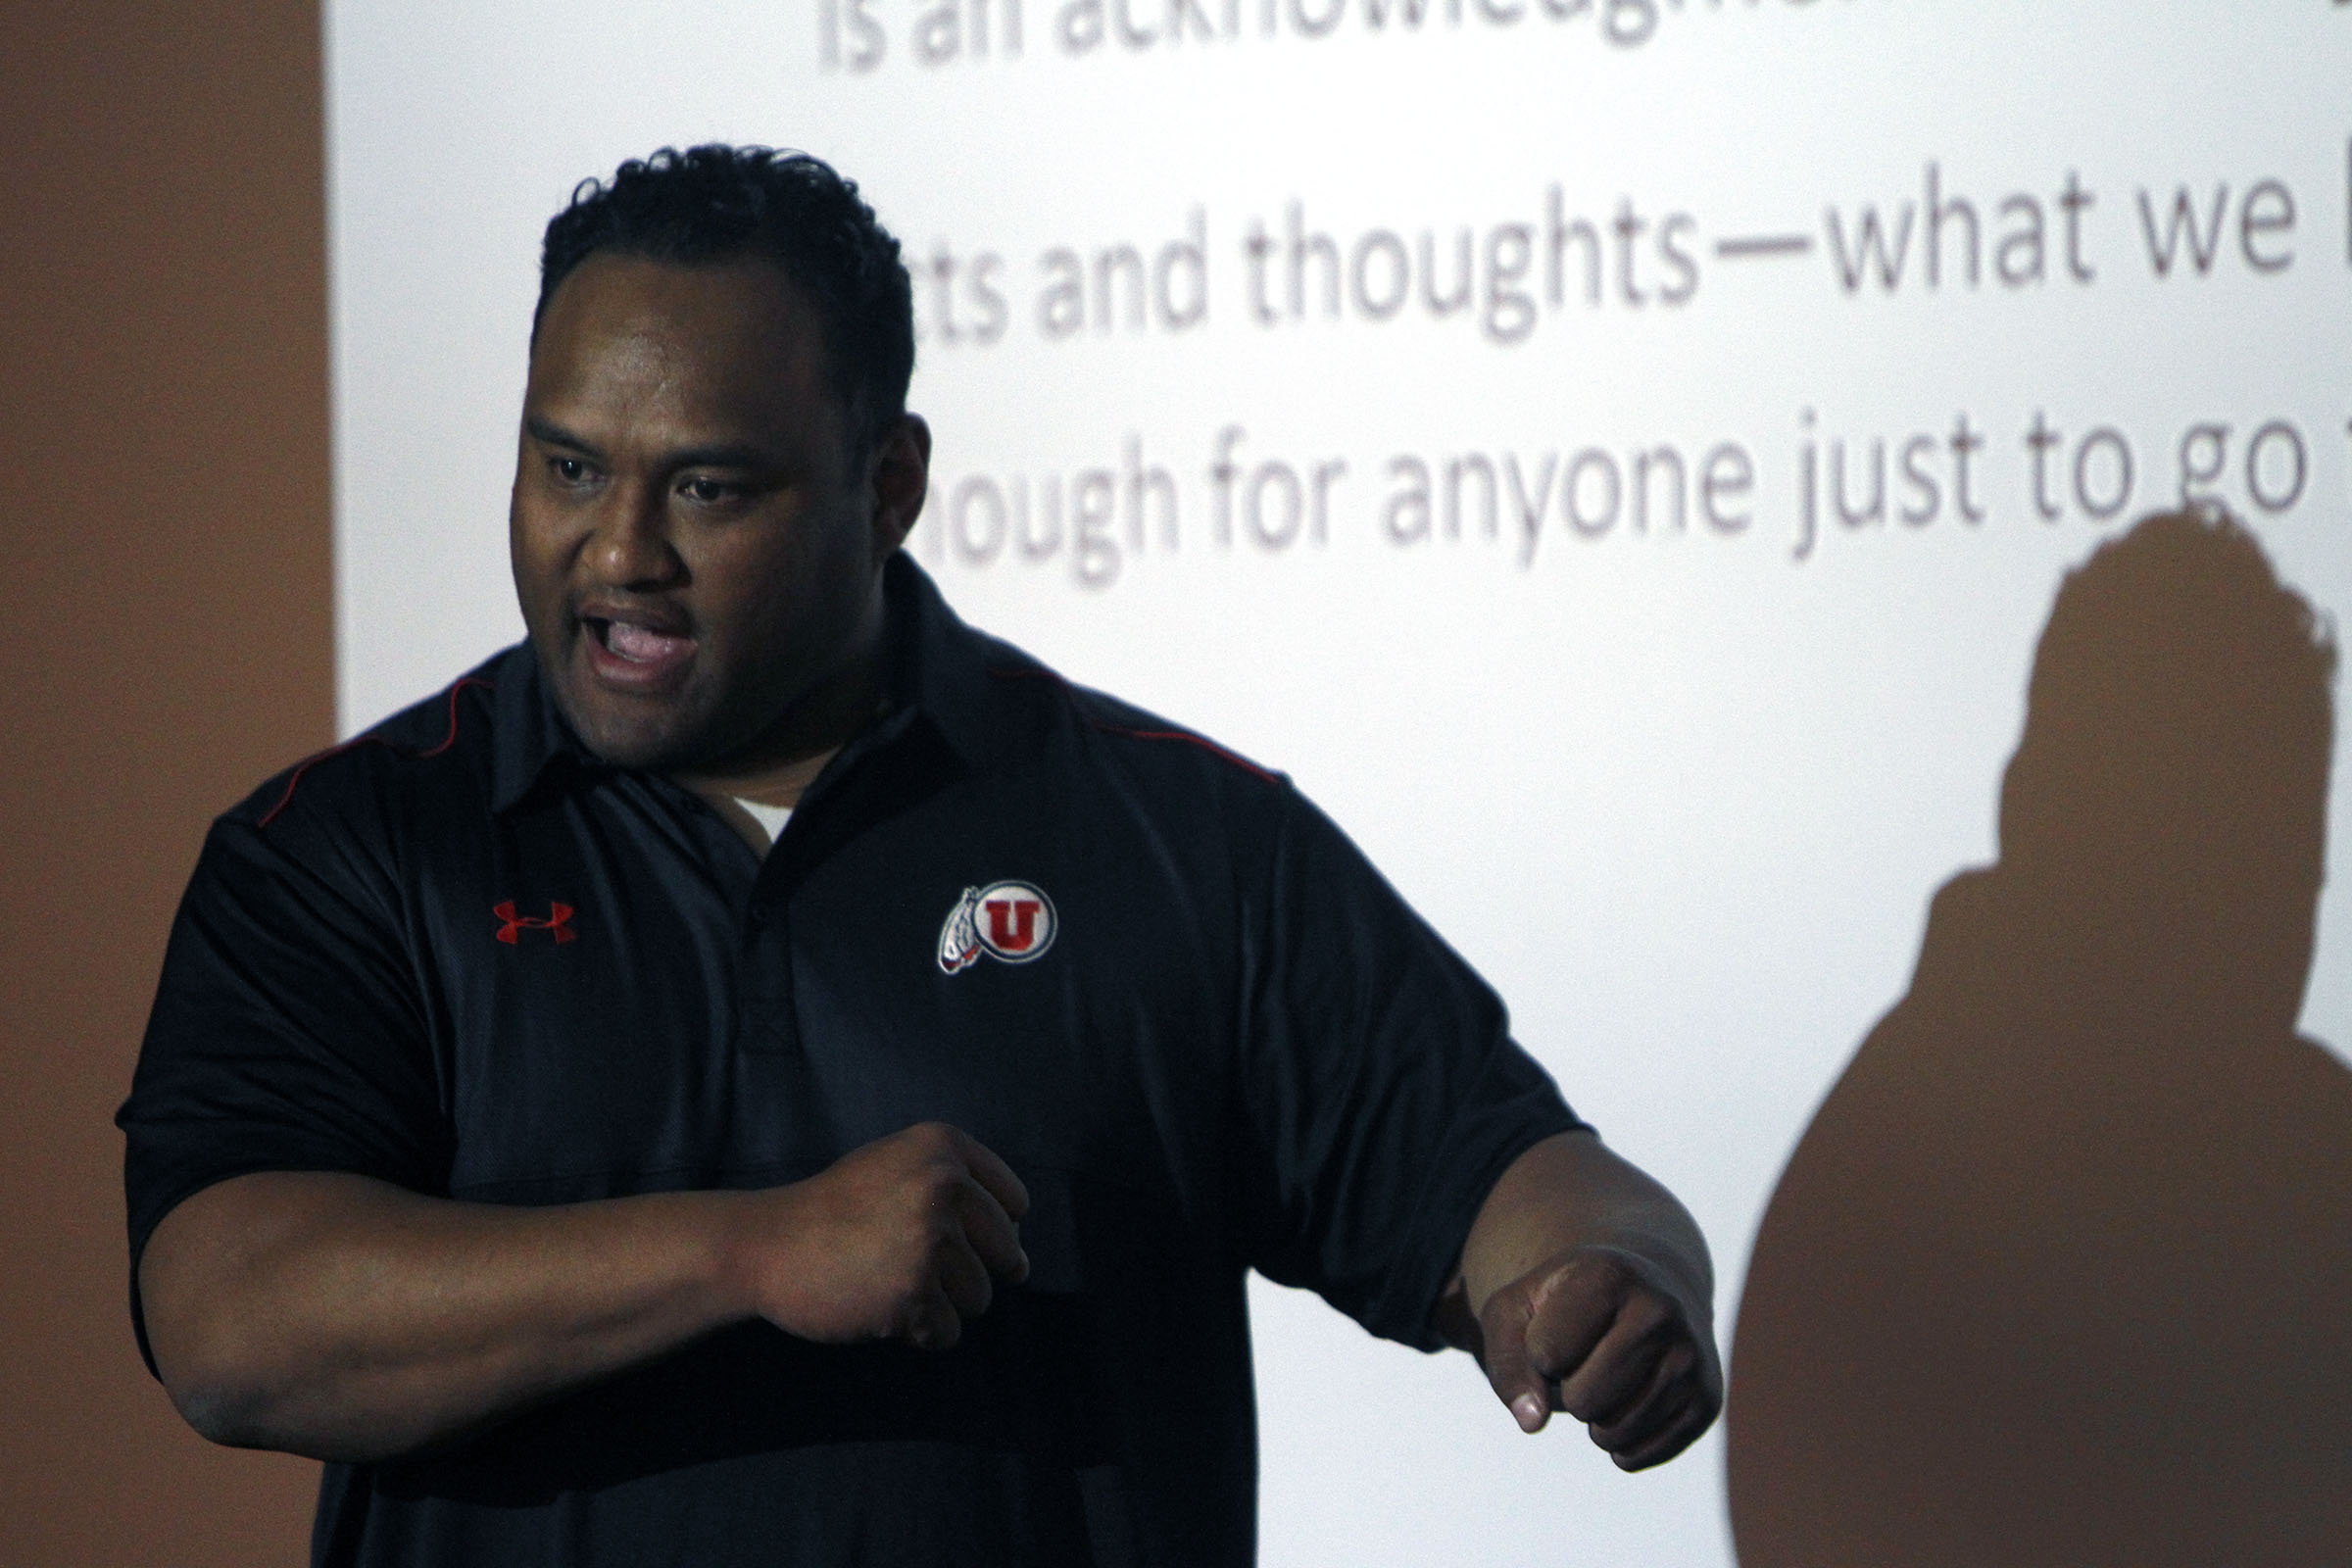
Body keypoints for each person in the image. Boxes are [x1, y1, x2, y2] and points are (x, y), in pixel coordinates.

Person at [121, 145, 1720, 1567]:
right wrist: (750, 1250)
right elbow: (231, 1324)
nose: (616, 553)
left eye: (706, 486)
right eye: (567, 468)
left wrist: (1616, 1284)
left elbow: (1523, 1186)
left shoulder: (1167, 834)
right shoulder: (353, 845)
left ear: (890, 485)